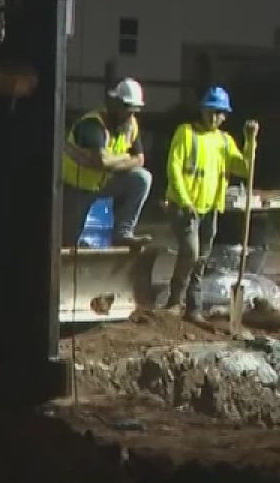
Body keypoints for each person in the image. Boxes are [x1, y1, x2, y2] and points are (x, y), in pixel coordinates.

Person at [162, 86, 257, 314]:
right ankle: (175, 300)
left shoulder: (224, 141)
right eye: (211, 111)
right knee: (191, 253)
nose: (215, 117)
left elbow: (245, 168)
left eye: (220, 113)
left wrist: (250, 140)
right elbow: (174, 167)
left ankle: (193, 307)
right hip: (186, 207)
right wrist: (185, 201)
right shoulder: (186, 133)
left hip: (210, 208)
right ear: (203, 110)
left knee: (202, 259)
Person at [60, 77, 153, 247]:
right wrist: (125, 158)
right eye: (126, 108)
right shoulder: (92, 124)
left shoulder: (131, 125)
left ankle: (123, 232)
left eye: (133, 110)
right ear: (114, 104)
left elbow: (139, 159)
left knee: (142, 178)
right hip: (76, 187)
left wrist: (115, 162)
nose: (130, 114)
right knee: (68, 240)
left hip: (104, 182)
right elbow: (101, 161)